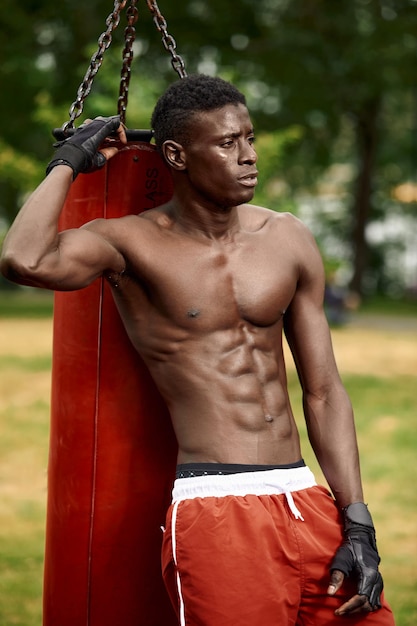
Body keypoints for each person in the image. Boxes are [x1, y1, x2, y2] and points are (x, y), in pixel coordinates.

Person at [0, 75, 394, 625]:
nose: (249, 156)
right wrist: (69, 160)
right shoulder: (129, 243)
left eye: (250, 138)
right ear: (177, 156)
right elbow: (25, 260)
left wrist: (357, 521)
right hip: (219, 507)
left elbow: (324, 392)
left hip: (305, 499)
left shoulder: (288, 239)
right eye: (228, 144)